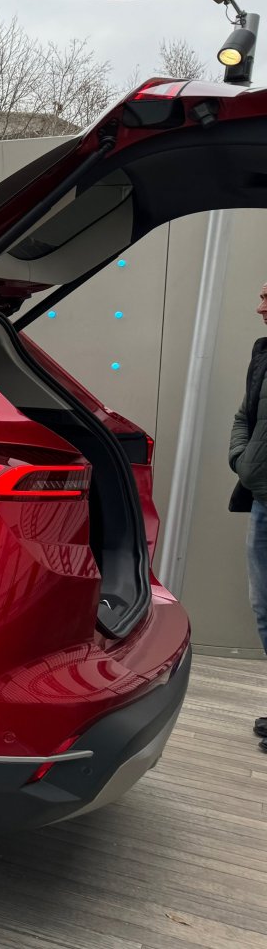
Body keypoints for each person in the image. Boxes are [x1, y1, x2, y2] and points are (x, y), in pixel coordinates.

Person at [228, 279, 267, 753]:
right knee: (264, 612)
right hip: (262, 499)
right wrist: (243, 460)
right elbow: (245, 416)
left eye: (266, 296)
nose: (258, 305)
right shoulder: (262, 353)